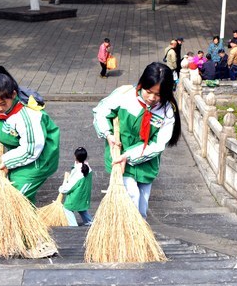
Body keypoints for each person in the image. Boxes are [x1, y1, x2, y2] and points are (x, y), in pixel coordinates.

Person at [92, 62, 181, 217]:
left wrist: (130, 155)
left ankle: (139, 234)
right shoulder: (124, 95)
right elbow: (101, 111)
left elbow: (158, 144)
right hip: (120, 156)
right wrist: (108, 134)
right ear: (142, 84)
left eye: (158, 94)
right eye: (148, 91)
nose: (152, 98)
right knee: (132, 196)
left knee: (142, 206)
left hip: (146, 162)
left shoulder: (167, 111)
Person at [0, 65, 60, 202]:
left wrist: (6, 161)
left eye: (3, 104)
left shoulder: (27, 116)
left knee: (15, 200)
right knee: (20, 200)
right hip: (20, 154)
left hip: (38, 159)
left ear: (13, 95)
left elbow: (30, 149)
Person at [58, 147, 94, 226]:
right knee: (82, 208)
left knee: (67, 208)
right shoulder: (88, 168)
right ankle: (89, 221)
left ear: (75, 157)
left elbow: (70, 186)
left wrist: (61, 189)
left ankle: (73, 224)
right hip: (84, 196)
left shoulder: (78, 171)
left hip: (76, 196)